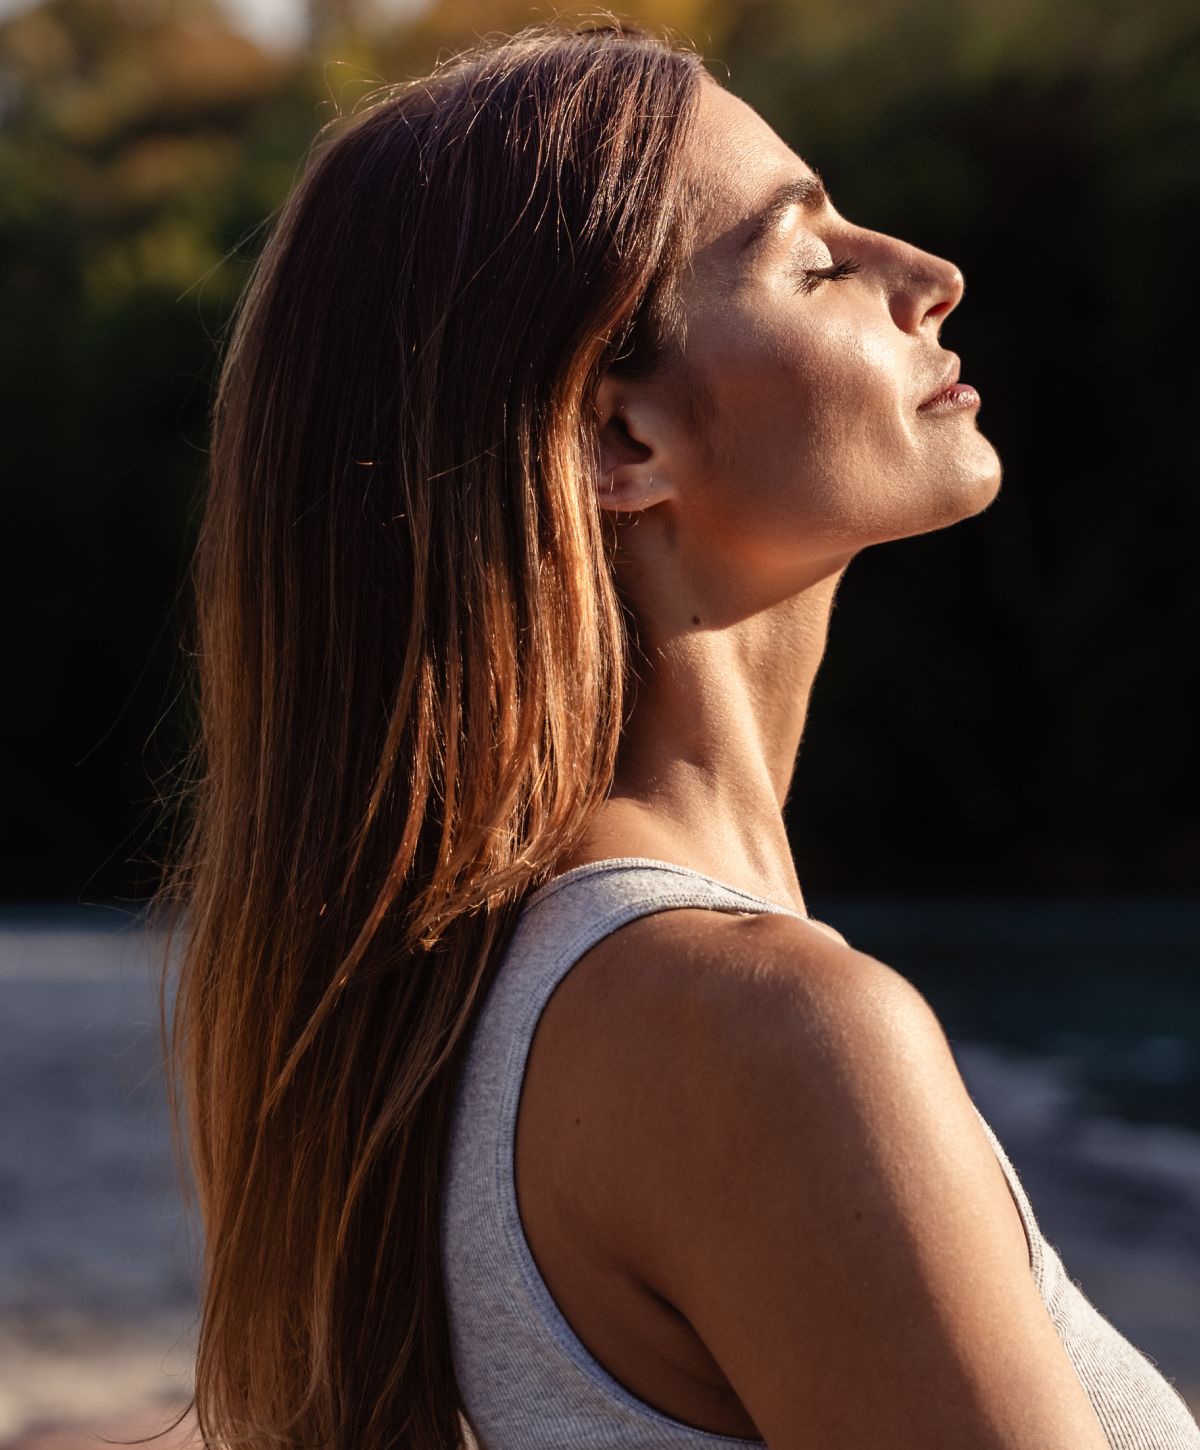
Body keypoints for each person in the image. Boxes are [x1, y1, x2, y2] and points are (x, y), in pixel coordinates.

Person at [152, 17, 1200, 1450]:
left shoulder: (453, 1024)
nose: (930, 276)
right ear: (618, 442)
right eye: (815, 258)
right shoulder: (770, 1038)